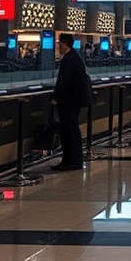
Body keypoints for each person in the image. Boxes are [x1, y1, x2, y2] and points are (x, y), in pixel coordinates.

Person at [51, 33, 92, 171]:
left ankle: (70, 160)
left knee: (68, 130)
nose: (59, 46)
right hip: (74, 100)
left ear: (64, 44)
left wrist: (56, 96)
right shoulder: (76, 58)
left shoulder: (69, 60)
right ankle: (74, 160)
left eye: (59, 44)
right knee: (72, 129)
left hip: (68, 101)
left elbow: (64, 81)